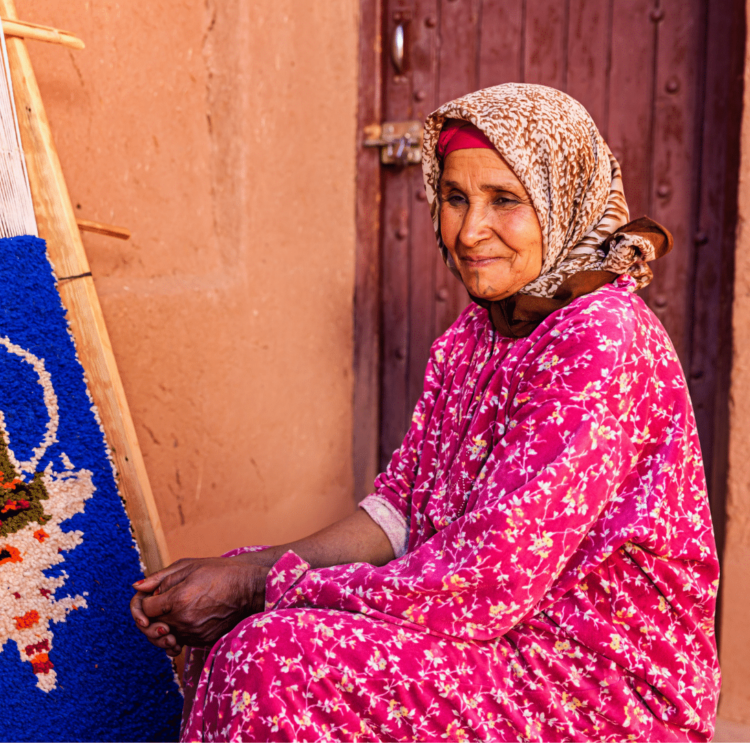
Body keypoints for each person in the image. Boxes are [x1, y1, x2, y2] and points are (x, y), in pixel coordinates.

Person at [131, 84, 720, 742]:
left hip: (596, 684)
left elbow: (483, 583)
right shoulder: (476, 334)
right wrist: (250, 566)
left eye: (506, 200)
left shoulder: (600, 340)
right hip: (499, 642)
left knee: (271, 656)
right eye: (455, 197)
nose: (470, 231)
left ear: (563, 203)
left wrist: (257, 586)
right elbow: (401, 511)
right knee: (243, 618)